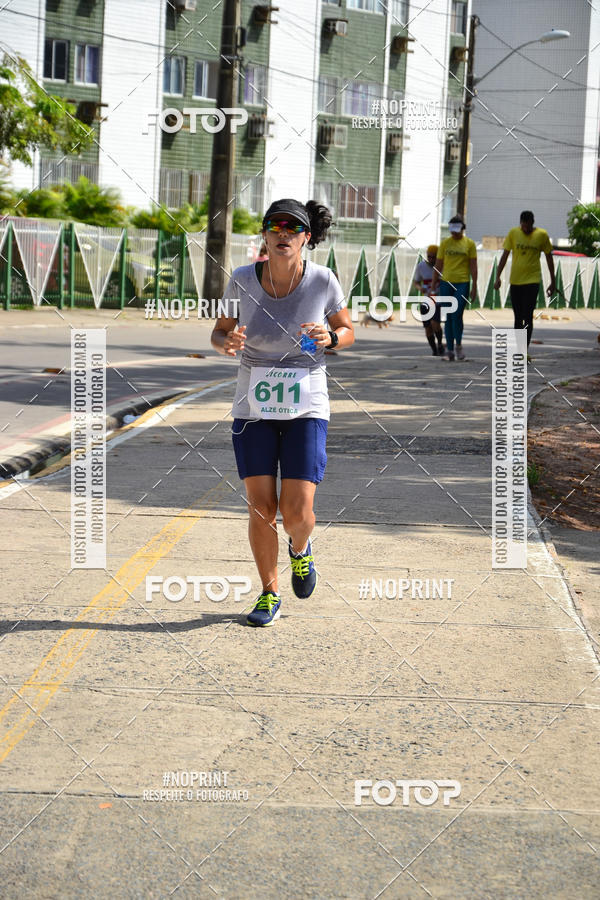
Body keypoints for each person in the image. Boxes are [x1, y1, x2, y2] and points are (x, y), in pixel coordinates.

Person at [211, 199, 354, 627]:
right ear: (265, 235)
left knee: (297, 513)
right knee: (260, 505)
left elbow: (348, 332)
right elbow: (219, 332)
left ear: (306, 237)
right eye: (274, 226)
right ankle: (269, 593)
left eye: (292, 228)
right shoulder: (241, 280)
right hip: (253, 402)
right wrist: (226, 343)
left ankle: (300, 548)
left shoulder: (322, 281)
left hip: (306, 401)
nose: (283, 233)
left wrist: (329, 337)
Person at [494, 210, 555, 355]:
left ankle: (523, 350)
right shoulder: (513, 233)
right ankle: (519, 347)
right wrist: (497, 277)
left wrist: (553, 281)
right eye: (523, 226)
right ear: (520, 223)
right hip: (515, 281)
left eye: (528, 226)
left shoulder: (542, 235)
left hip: (532, 281)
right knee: (517, 317)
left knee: (527, 316)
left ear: (532, 223)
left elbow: (549, 258)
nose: (525, 229)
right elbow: (504, 255)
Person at [430, 214, 477, 361]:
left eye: (457, 230)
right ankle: (449, 350)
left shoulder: (469, 244)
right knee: (449, 316)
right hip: (446, 282)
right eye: (452, 230)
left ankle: (459, 345)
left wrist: (474, 285)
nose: (454, 233)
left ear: (462, 229)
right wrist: (433, 285)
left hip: (462, 282)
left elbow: (473, 266)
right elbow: (438, 264)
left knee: (457, 315)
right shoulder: (445, 244)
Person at [413, 244, 444, 356]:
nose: (431, 259)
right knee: (428, 328)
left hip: (438, 300)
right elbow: (416, 282)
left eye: (434, 257)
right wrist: (420, 288)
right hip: (426, 300)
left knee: (435, 323)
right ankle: (434, 349)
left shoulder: (443, 266)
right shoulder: (421, 266)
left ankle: (440, 343)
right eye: (429, 257)